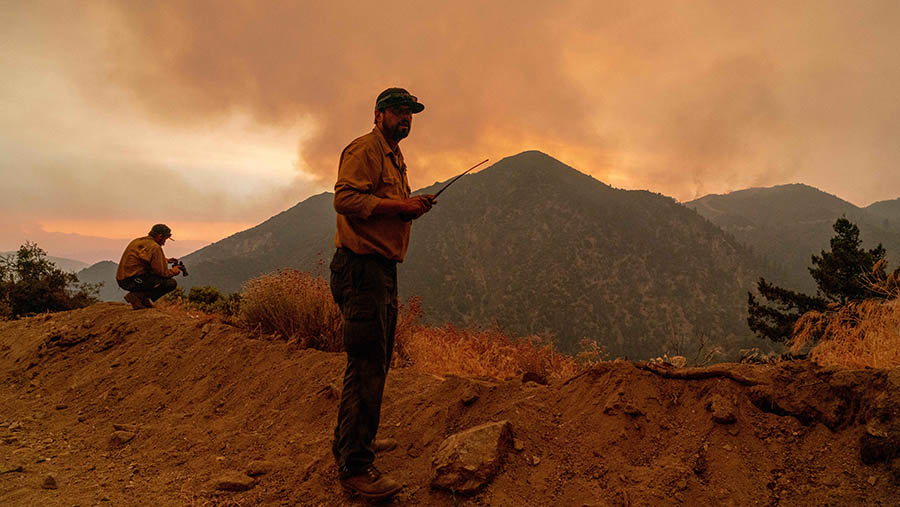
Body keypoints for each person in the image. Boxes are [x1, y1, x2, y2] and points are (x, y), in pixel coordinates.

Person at [329, 87, 435, 500]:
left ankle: (355, 442)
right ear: (378, 114)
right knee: (367, 364)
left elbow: (382, 203)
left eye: (409, 112)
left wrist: (409, 206)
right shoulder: (365, 149)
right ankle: (356, 468)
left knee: (377, 360)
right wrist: (400, 208)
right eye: (397, 111)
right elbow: (345, 199)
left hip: (380, 271)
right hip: (361, 271)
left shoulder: (394, 155)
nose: (404, 118)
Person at [116, 224, 181, 309]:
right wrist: (174, 271)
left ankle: (143, 300)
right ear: (159, 236)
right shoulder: (155, 247)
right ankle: (137, 296)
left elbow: (143, 257)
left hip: (123, 280)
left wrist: (165, 260)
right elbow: (163, 273)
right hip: (134, 281)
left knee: (151, 275)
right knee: (170, 283)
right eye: (164, 239)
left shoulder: (138, 241)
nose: (164, 243)